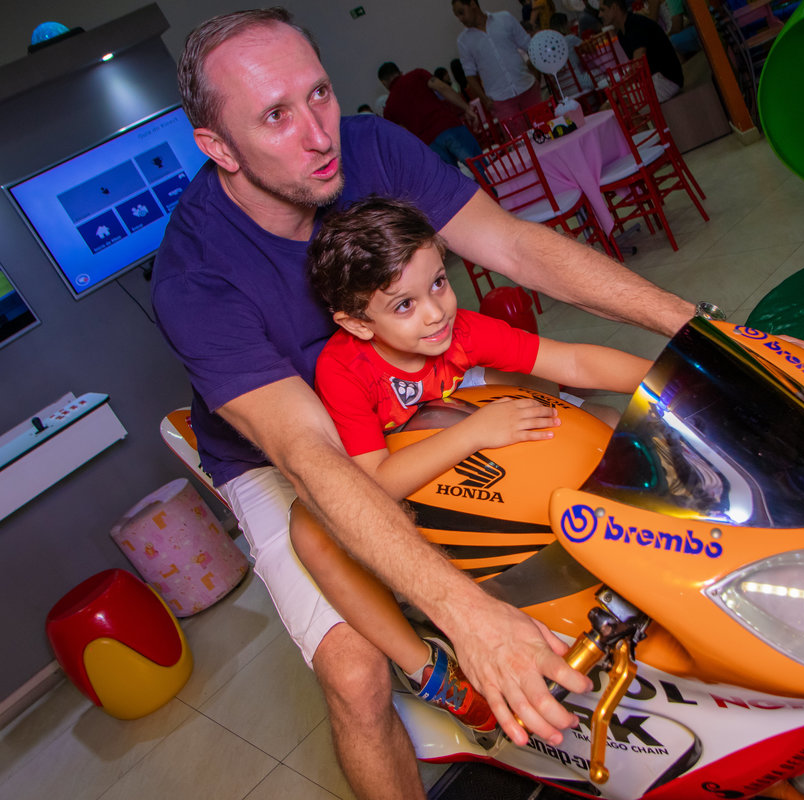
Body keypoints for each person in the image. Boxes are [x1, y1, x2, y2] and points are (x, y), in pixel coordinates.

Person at [151, 8, 695, 800]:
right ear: (218, 148)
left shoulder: (370, 147)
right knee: (355, 672)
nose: (318, 133)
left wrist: (699, 333)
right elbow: (314, 460)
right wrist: (468, 622)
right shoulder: (196, 278)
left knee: (576, 471)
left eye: (319, 95)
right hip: (287, 452)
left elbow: (510, 244)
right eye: (276, 116)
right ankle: (431, 674)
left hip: (412, 389)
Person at [289, 196, 651, 738]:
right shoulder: (343, 369)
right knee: (313, 529)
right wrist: (474, 434)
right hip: (397, 467)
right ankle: (427, 668)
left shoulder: (455, 331)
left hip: (448, 423)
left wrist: (679, 373)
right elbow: (375, 484)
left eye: (438, 282)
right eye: (404, 305)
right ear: (358, 324)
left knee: (595, 413)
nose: (436, 311)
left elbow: (573, 360)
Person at [452, 0, 544, 123]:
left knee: (546, 130)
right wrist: (485, 100)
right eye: (457, 15)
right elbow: (470, 75)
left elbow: (529, 46)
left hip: (527, 87)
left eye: (461, 12)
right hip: (500, 101)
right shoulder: (463, 41)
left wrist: (537, 74)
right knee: (518, 141)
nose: (460, 19)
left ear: (473, 4)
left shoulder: (504, 18)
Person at [378, 61, 482, 168]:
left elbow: (398, 136)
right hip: (447, 125)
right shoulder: (418, 75)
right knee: (478, 165)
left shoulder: (389, 107)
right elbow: (442, 88)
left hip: (429, 144)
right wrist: (466, 108)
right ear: (399, 72)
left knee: (453, 181)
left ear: (384, 83)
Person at [598, 0, 684, 101]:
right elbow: (636, 67)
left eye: (602, 10)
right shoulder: (622, 34)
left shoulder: (635, 25)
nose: (600, 15)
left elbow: (637, 65)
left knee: (617, 104)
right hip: (655, 79)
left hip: (667, 80)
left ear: (614, 7)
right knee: (612, 103)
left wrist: (620, 88)